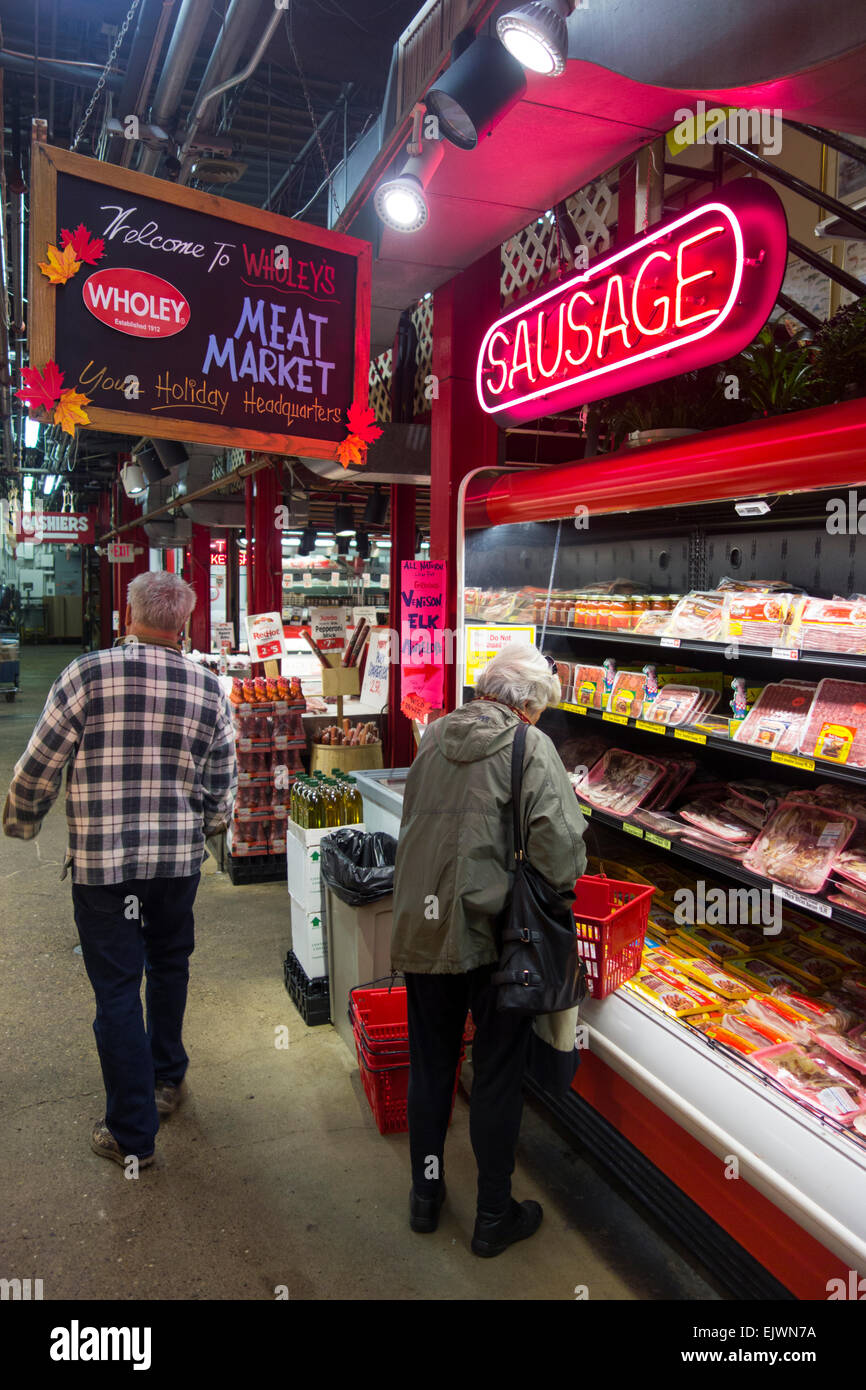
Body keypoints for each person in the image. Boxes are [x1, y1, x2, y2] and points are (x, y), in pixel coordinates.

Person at [3, 571, 236, 1169]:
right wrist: (200, 831)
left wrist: (22, 822)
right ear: (182, 625)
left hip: (105, 869)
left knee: (115, 989)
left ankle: (132, 1134)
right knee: (169, 965)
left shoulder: (86, 675)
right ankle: (166, 1079)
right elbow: (221, 792)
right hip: (176, 865)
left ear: (128, 615)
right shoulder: (209, 689)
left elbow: (38, 767)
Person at [391, 643, 586, 1257]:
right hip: (499, 937)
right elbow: (559, 848)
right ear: (529, 702)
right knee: (496, 1077)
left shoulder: (435, 733)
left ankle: (426, 1199)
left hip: (425, 927)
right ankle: (493, 1216)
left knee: (432, 1069)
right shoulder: (530, 747)